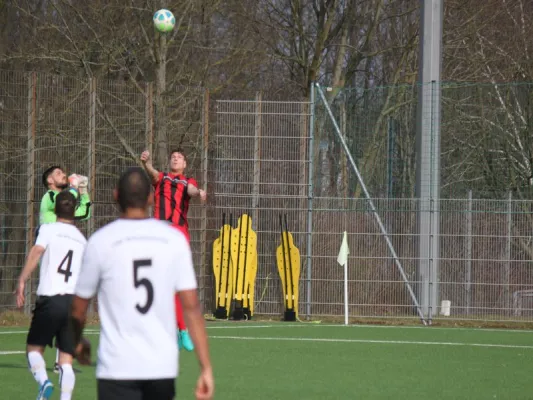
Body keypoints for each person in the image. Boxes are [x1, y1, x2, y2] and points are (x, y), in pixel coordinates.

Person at [69, 167, 214, 400]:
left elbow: (78, 309)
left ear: (116, 195)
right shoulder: (173, 240)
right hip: (161, 366)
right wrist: (205, 367)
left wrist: (76, 342)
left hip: (116, 367)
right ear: (150, 198)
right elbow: (192, 308)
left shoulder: (101, 241)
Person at [15, 191, 87, 400]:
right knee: (66, 362)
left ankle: (44, 382)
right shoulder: (82, 239)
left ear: (55, 209)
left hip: (51, 299)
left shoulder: (48, 229)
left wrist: (21, 280)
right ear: (75, 211)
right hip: (73, 302)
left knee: (33, 350)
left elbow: (37, 251)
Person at [140, 149, 206, 352]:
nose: (175, 158)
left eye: (179, 157)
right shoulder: (162, 178)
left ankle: (182, 330)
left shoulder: (188, 181)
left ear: (185, 164)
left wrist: (199, 192)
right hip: (160, 232)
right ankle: (174, 328)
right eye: (173, 157)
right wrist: (147, 163)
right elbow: (152, 173)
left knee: (177, 284)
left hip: (178, 233)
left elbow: (191, 191)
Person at [39, 165, 91, 373]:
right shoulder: (49, 197)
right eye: (58, 173)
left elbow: (84, 213)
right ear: (50, 181)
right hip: (53, 260)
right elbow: (65, 200)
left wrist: (83, 191)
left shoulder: (65, 202)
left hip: (66, 262)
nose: (63, 174)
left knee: (68, 310)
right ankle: (37, 353)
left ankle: (60, 362)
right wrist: (73, 185)